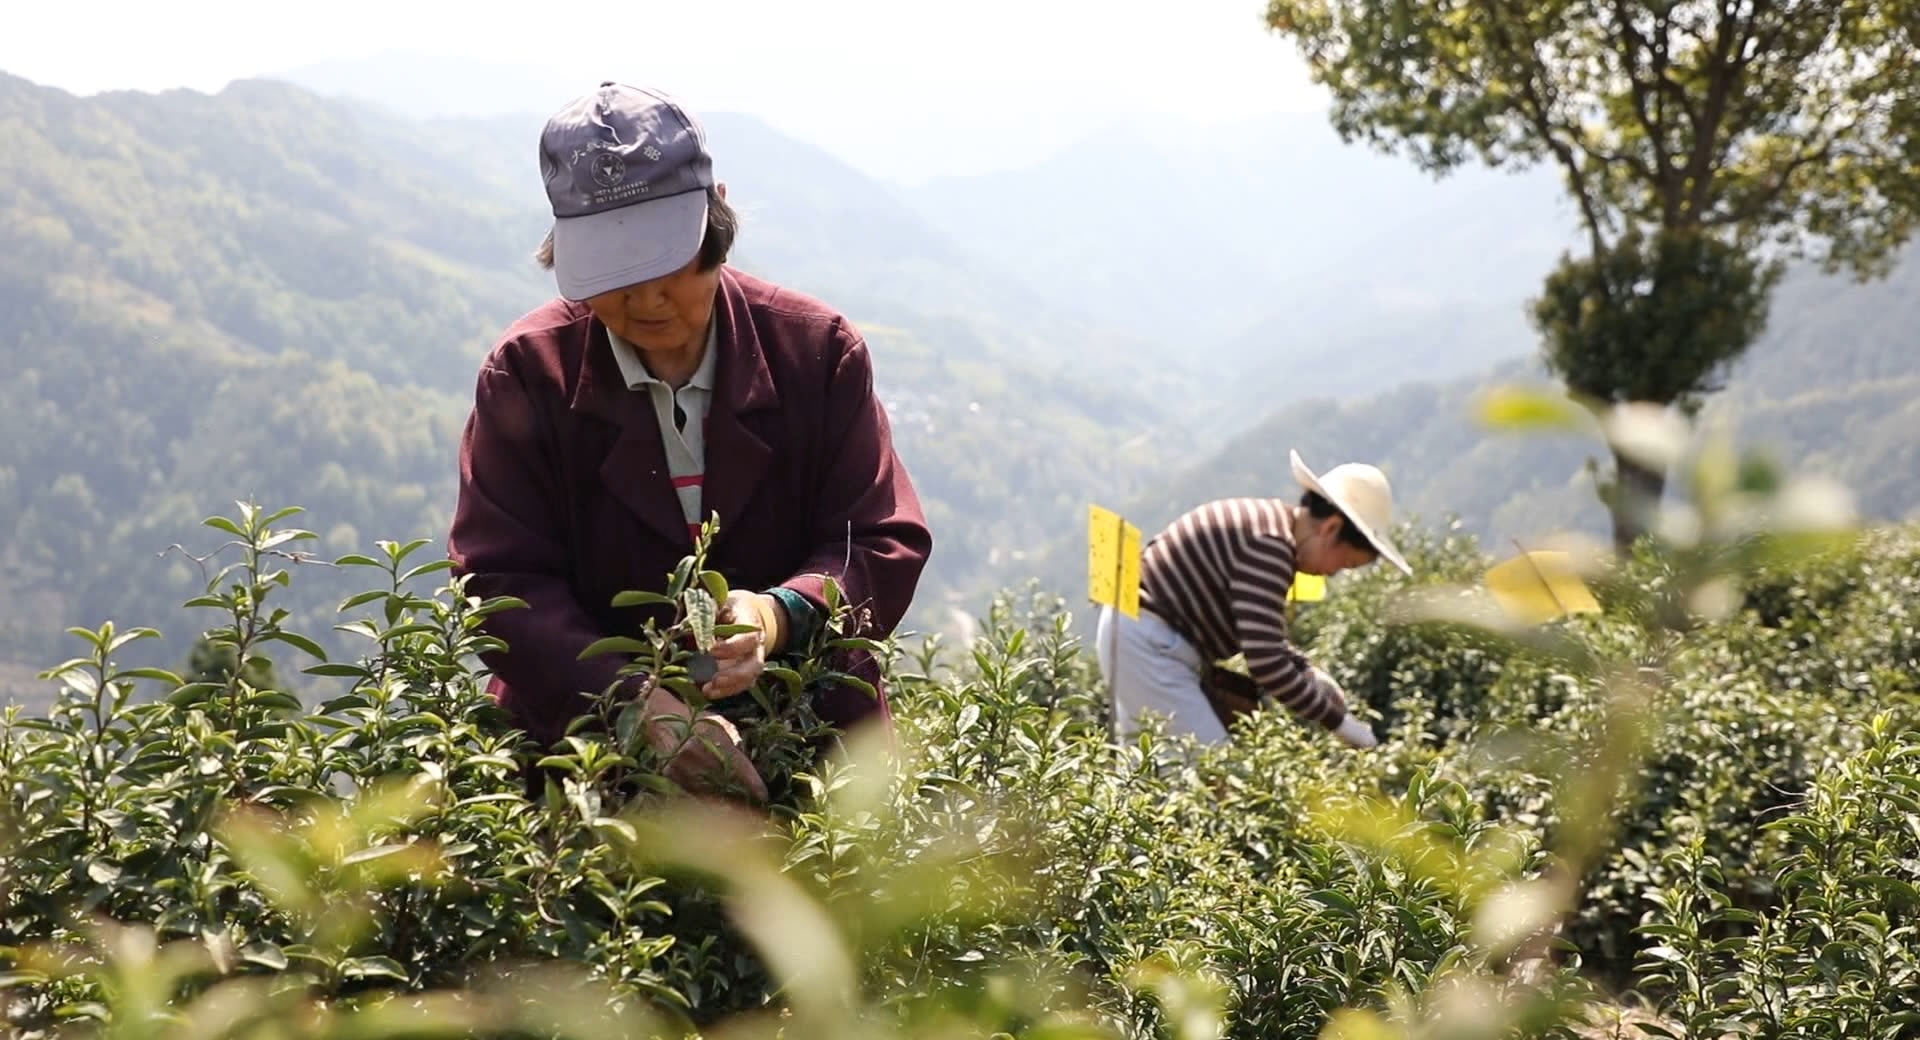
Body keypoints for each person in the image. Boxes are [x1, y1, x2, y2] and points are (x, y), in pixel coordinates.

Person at [447, 82, 933, 801]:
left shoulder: (815, 353)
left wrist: (778, 616)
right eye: (615, 277)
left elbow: (880, 539)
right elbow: (501, 584)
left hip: (809, 759)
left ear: (719, 218)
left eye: (669, 266)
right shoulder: (529, 374)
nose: (646, 302)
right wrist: (633, 704)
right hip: (585, 772)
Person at [1096, 450, 1411, 748]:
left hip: (1136, 632)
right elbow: (1265, 661)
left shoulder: (1268, 526)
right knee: (1210, 771)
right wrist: (1341, 724)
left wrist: (1306, 671)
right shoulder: (1270, 546)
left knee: (1147, 770)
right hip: (1150, 643)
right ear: (1330, 529)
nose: (1334, 573)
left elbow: (1262, 634)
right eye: (1345, 562)